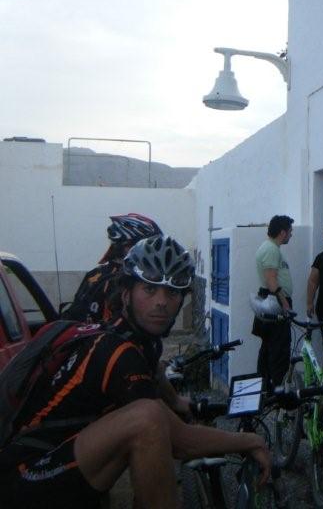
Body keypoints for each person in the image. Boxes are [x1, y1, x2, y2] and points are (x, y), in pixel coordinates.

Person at [0, 235, 270, 509]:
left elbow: (155, 371)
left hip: (55, 461)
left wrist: (176, 402)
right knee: (147, 420)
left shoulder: (136, 340)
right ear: (126, 293)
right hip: (23, 477)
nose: (161, 302)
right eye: (149, 289)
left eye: (172, 292)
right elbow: (180, 441)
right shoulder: (117, 353)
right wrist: (249, 441)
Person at [63, 213, 162, 324]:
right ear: (125, 245)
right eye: (145, 247)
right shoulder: (128, 278)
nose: (150, 253)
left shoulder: (94, 274)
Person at [252, 215, 294, 389]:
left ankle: (265, 388)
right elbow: (271, 280)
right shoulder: (271, 249)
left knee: (269, 347)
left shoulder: (271, 248)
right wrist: (285, 304)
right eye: (290, 231)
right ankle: (276, 389)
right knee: (279, 349)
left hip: (272, 299)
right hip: (275, 300)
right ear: (282, 232)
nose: (291, 235)